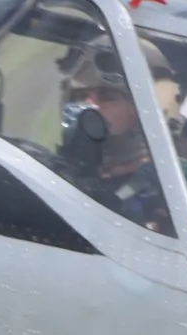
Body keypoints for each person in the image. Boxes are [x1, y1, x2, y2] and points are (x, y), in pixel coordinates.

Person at [55, 37, 180, 233]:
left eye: (108, 97)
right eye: (80, 95)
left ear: (145, 113)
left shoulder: (178, 199)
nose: (88, 105)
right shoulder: (44, 176)